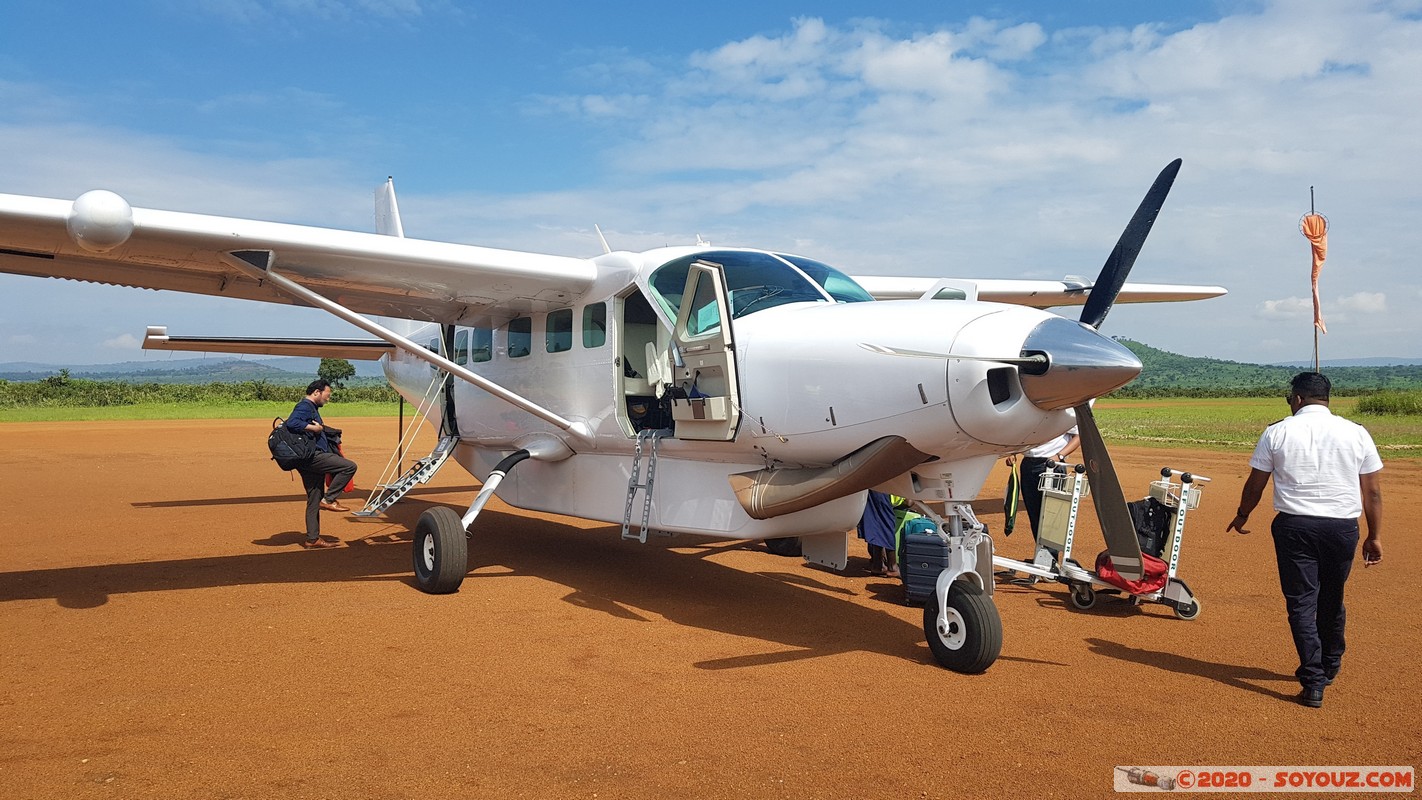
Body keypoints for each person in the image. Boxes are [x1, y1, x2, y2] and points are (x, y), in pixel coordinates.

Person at [1227, 372, 1383, 709]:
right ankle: (1331, 661)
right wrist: (1374, 536)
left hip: (1294, 527)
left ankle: (1313, 682)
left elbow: (1256, 483)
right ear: (1328, 398)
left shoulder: (1278, 431)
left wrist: (1243, 514)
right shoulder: (1357, 433)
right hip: (1342, 528)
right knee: (1332, 596)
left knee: (1301, 603)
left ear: (1296, 399)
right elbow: (1371, 491)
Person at [286, 379, 359, 549]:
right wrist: (315, 429)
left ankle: (312, 539)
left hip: (305, 460)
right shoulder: (305, 406)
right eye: (327, 394)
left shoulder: (311, 407)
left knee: (313, 499)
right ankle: (330, 499)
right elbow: (292, 422)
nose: (328, 398)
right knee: (349, 466)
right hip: (313, 457)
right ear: (317, 392)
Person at [1005, 424, 1081, 553]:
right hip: (1028, 463)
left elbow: (1079, 435)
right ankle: (1042, 554)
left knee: (1051, 516)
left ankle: (1051, 558)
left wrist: (1059, 456)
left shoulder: (1064, 413)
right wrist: (1014, 452)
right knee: (1034, 514)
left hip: (1052, 465)